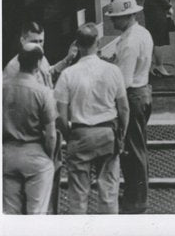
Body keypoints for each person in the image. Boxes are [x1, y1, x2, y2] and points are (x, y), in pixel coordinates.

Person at [54, 24, 128, 215]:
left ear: (77, 45)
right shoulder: (113, 71)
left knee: (77, 196)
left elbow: (60, 116)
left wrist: (69, 135)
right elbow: (124, 108)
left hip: (79, 134)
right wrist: (121, 133)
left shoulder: (67, 75)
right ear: (98, 42)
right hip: (107, 134)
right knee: (109, 193)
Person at [100, 0, 153, 214]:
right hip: (144, 92)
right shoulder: (142, 32)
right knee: (138, 147)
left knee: (132, 150)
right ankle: (135, 193)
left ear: (127, 16)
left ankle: (137, 200)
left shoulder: (129, 43)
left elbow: (124, 81)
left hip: (132, 96)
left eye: (115, 17)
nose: (112, 21)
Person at [3, 45, 57, 215]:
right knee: (36, 213)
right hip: (35, 152)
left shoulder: (1, 87)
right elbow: (51, 135)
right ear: (39, 63)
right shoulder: (43, 92)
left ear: (19, 61)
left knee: (11, 214)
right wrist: (49, 157)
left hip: (7, 153)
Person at [4, 21, 78, 88]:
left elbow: (49, 74)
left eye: (41, 41)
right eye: (34, 41)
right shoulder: (13, 68)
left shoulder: (41, 57)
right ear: (22, 41)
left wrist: (68, 59)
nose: (38, 46)